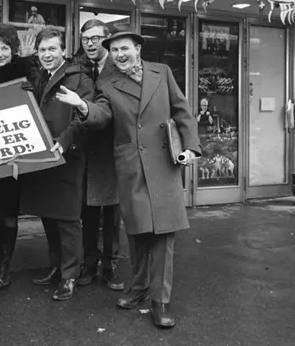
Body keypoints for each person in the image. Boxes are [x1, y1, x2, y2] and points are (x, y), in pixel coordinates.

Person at [55, 29, 201, 328]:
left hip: (163, 164)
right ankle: (139, 287)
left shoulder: (162, 72)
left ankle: (160, 301)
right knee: (138, 231)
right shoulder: (107, 84)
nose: (120, 55)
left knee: (163, 235)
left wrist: (190, 146)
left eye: (125, 49)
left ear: (138, 49)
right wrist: (83, 106)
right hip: (131, 166)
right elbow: (101, 115)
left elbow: (182, 111)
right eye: (115, 50)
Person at [20, 27, 95, 301]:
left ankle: (70, 275)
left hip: (67, 157)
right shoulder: (40, 76)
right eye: (42, 50)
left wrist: (65, 141)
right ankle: (56, 267)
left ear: (64, 50)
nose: (47, 54)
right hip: (45, 158)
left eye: (52, 49)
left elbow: (84, 117)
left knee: (67, 220)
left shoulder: (80, 78)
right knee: (49, 216)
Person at [0, 24, 38, 290]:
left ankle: (5, 265)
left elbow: (36, 95)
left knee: (9, 212)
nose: (0, 53)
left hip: (15, 151)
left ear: (13, 50)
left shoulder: (23, 68)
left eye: (5, 48)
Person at [71, 19, 124, 291]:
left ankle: (110, 265)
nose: (90, 44)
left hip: (110, 146)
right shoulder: (76, 66)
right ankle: (89, 263)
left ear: (107, 38)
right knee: (88, 210)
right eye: (85, 39)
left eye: (95, 38)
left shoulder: (119, 65)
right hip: (83, 146)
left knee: (111, 211)